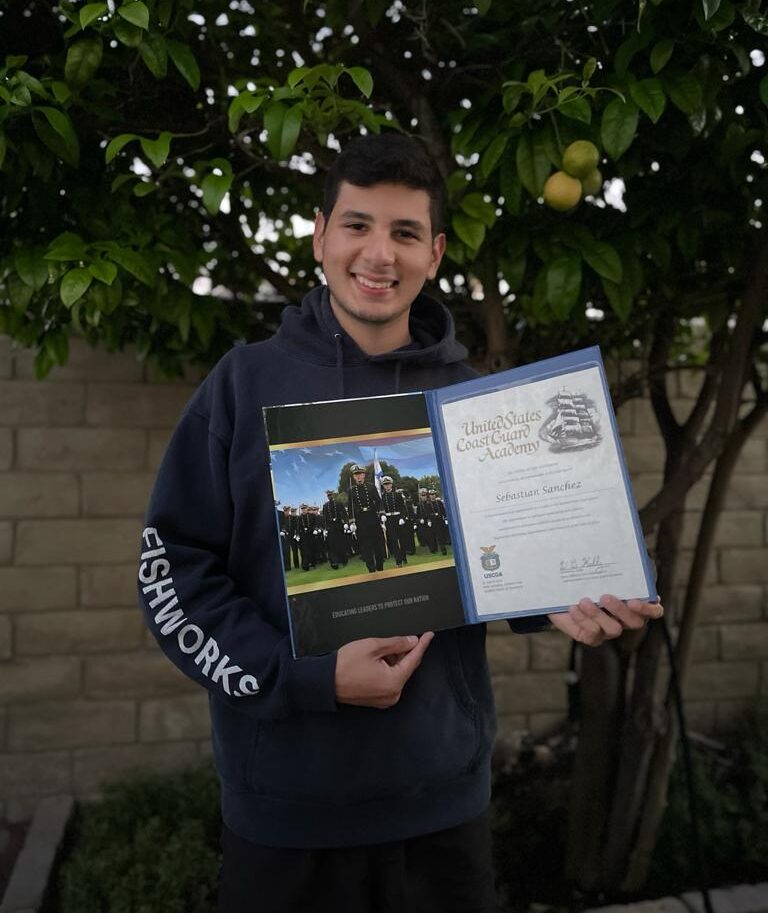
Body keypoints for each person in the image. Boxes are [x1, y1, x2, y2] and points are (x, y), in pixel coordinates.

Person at [138, 132, 664, 913]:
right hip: (287, 815)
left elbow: (499, 557)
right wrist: (305, 677)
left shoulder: (476, 402)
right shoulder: (242, 385)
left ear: (435, 253)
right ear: (320, 236)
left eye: (406, 232)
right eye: (358, 225)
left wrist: (564, 592)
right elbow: (174, 576)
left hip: (443, 812)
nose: (379, 253)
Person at [347, 463, 386, 572]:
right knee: (366, 547)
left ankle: (380, 567)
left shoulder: (371, 487)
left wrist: (382, 514)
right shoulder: (351, 490)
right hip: (361, 521)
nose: (358, 476)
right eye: (356, 475)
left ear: (364, 475)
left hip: (372, 518)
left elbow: (378, 502)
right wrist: (352, 522)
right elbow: (350, 507)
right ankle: (371, 570)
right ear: (354, 477)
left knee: (378, 545)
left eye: (360, 474)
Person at [380, 475, 409, 567]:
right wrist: (382, 517)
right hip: (388, 520)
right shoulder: (382, 497)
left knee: (402, 539)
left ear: (391, 484)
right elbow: (380, 509)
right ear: (383, 486)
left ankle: (404, 557)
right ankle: (398, 561)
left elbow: (403, 508)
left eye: (388, 484)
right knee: (394, 541)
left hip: (398, 519)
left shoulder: (397, 495)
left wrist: (402, 517)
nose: (387, 486)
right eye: (385, 484)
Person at [322, 488, 349, 569]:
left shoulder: (338, 503)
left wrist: (346, 523)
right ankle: (335, 561)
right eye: (328, 495)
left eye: (330, 495)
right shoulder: (325, 506)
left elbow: (344, 513)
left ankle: (344, 560)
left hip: (339, 526)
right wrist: (325, 528)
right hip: (331, 528)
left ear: (333, 495)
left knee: (341, 544)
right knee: (332, 546)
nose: (329, 496)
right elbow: (325, 518)